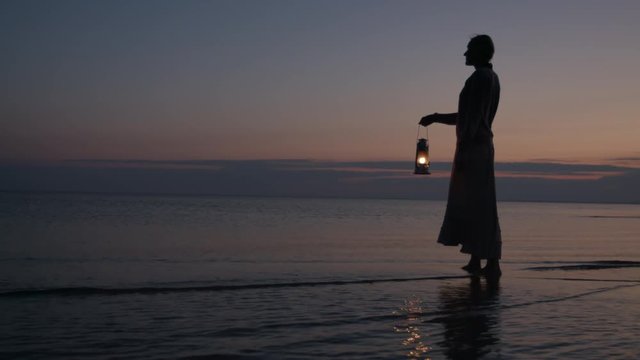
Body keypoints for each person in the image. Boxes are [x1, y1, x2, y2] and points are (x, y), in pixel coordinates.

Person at [419, 34, 502, 277]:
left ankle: (492, 262)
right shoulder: (490, 77)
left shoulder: (480, 78)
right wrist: (436, 117)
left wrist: (464, 151)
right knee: (475, 203)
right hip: (477, 145)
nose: (465, 54)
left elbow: (472, 120)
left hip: (474, 147)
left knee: (481, 204)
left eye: (468, 50)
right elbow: (466, 115)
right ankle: (477, 258)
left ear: (479, 52)